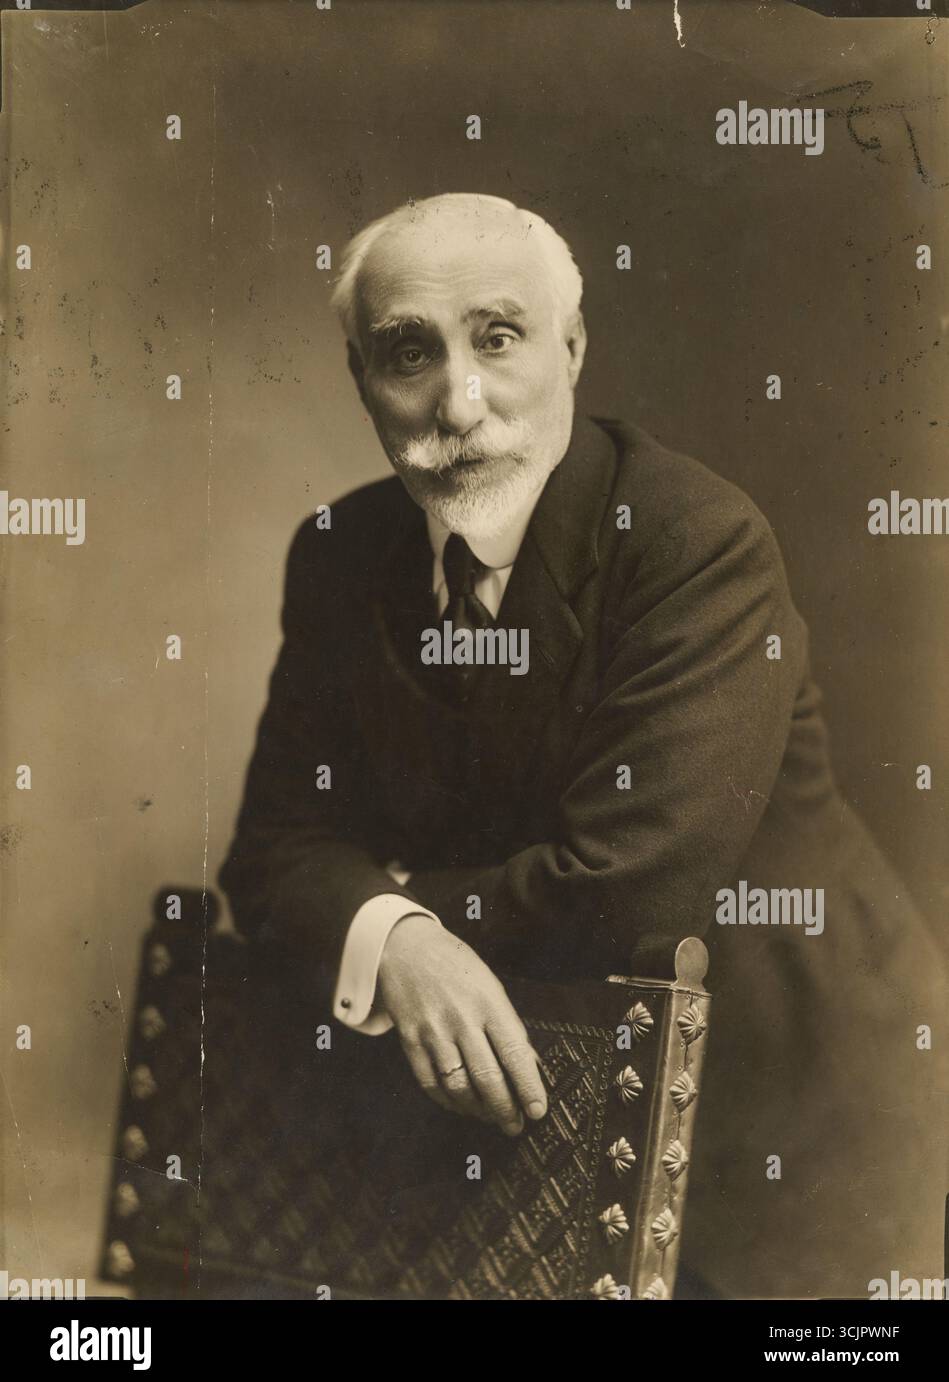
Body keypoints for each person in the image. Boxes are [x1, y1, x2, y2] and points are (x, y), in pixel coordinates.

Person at [220, 192, 948, 1299]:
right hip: (540, 1117)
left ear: (572, 349)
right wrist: (401, 941)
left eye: (498, 338)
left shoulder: (692, 540)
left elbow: (627, 892)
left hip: (793, 1116)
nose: (458, 400)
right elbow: (271, 850)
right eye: (409, 352)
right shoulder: (339, 555)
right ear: (360, 378)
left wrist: (396, 908)